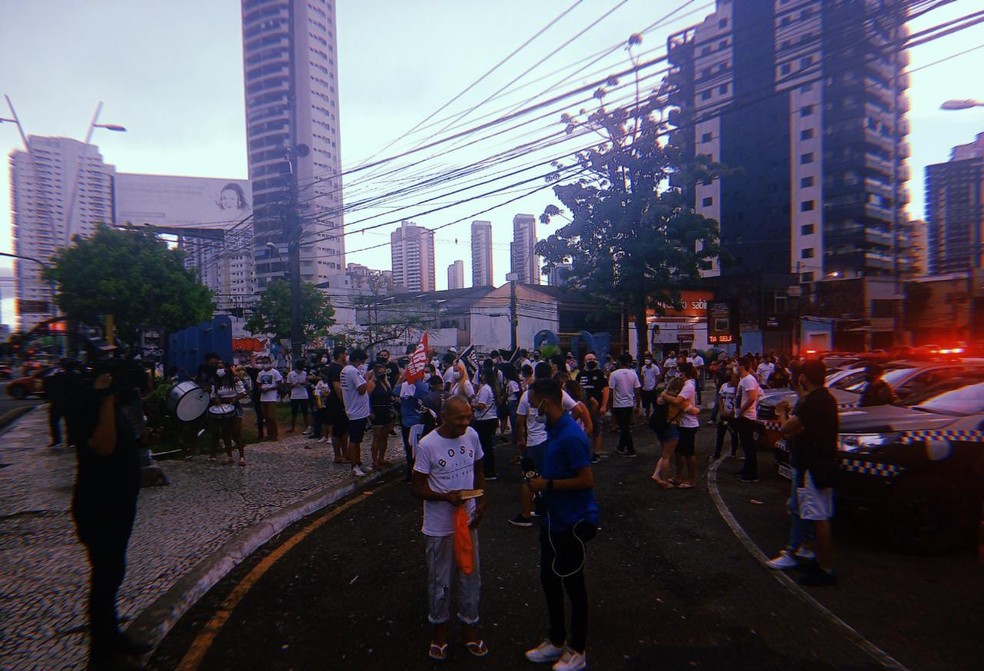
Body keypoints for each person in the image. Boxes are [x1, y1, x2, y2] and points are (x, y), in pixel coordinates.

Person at [67, 362, 153, 668]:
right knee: (105, 577)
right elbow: (104, 446)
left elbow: (131, 439)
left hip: (118, 502)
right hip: (99, 505)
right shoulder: (88, 408)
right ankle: (101, 654)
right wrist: (104, 397)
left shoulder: (111, 407)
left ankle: (112, 636)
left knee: (112, 574)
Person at [524, 378, 599, 671]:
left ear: (546, 401)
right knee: (549, 580)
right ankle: (556, 641)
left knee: (573, 585)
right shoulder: (554, 430)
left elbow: (586, 480)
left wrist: (548, 484)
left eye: (534, 403)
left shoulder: (570, 435)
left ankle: (577, 650)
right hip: (552, 520)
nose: (532, 408)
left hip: (572, 521)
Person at [411, 396, 488, 661]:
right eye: (460, 419)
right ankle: (439, 632)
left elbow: (479, 469)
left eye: (468, 417)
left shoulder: (472, 436)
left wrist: (480, 500)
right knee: (439, 581)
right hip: (439, 527)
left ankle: (469, 629)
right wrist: (446, 497)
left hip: (467, 523)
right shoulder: (427, 445)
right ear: (444, 416)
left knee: (471, 576)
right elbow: (417, 487)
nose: (465, 423)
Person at [770, 360, 839, 586]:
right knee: (809, 512)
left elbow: (787, 430)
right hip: (821, 464)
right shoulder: (825, 399)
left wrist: (781, 413)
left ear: (803, 378)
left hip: (814, 466)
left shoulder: (813, 402)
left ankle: (825, 568)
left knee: (818, 518)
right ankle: (808, 553)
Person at [664, 363, 702, 488]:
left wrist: (664, 395)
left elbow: (677, 401)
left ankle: (691, 479)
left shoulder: (688, 385)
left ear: (684, 373)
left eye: (679, 372)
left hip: (688, 424)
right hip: (681, 422)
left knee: (688, 453)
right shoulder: (684, 384)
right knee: (678, 452)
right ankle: (678, 476)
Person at [341, 349, 374, 477]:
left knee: (357, 439)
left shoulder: (345, 370)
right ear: (358, 360)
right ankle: (354, 465)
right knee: (355, 439)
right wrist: (367, 378)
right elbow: (361, 389)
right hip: (356, 410)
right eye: (362, 361)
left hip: (354, 408)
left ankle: (358, 462)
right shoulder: (353, 371)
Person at [212, 360, 248, 465]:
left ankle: (242, 457)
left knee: (236, 431)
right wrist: (216, 400)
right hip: (222, 408)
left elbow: (243, 393)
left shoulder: (234, 381)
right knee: (225, 432)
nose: (219, 370)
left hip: (234, 407)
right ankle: (229, 456)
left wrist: (234, 399)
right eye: (218, 368)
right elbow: (214, 396)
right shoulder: (216, 383)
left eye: (221, 367)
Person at [398, 370, 430, 482]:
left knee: (409, 448)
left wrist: (402, 378)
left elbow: (393, 392)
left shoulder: (403, 386)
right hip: (421, 422)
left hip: (408, 423)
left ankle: (411, 474)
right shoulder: (425, 387)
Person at [607, 353, 641, 457]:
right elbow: (637, 390)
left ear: (620, 362)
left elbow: (611, 391)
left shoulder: (614, 374)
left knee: (624, 427)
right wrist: (637, 405)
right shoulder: (633, 374)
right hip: (629, 403)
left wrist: (609, 405)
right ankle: (621, 447)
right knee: (625, 426)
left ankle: (630, 449)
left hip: (619, 404)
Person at [735, 355, 763, 483]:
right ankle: (746, 469)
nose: (734, 368)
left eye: (736, 365)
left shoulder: (749, 380)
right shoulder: (743, 379)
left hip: (747, 417)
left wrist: (741, 411)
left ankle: (751, 473)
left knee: (749, 445)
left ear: (741, 366)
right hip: (742, 416)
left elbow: (752, 397)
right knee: (745, 445)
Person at [577, 353, 607, 463]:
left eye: (594, 359)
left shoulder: (599, 374)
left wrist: (603, 405)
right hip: (582, 407)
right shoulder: (580, 374)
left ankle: (596, 452)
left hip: (596, 407)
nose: (592, 361)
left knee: (596, 429)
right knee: (583, 429)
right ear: (585, 361)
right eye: (589, 359)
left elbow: (606, 390)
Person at [471, 367, 500, 480]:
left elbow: (481, 406)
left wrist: (471, 404)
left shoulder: (485, 389)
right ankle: (489, 469)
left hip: (484, 420)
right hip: (491, 419)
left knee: (485, 446)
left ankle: (488, 470)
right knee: (488, 446)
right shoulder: (493, 388)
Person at [325, 346, 349, 464]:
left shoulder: (340, 367)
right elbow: (337, 387)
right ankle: (337, 455)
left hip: (340, 402)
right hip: (336, 402)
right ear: (341, 354)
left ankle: (345, 453)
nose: (346, 356)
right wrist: (344, 402)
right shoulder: (335, 368)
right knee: (338, 430)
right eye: (345, 354)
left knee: (344, 430)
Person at [369, 363, 395, 470]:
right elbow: (367, 398)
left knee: (385, 437)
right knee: (377, 437)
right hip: (377, 410)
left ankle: (381, 458)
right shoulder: (372, 383)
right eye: (380, 372)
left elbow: (390, 396)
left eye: (383, 372)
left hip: (386, 410)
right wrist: (370, 412)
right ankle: (375, 460)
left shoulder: (386, 383)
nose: (382, 374)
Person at [712, 368, 740, 460]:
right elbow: (720, 398)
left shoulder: (738, 388)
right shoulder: (724, 386)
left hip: (733, 415)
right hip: (724, 413)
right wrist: (721, 410)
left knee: (733, 433)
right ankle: (717, 453)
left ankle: (733, 453)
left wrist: (733, 411)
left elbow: (738, 401)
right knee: (720, 434)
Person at [256, 355, 283, 442]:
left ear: (270, 363)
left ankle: (275, 434)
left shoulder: (275, 372)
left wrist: (270, 389)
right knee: (266, 417)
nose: (265, 364)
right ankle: (269, 434)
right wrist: (260, 388)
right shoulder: (260, 373)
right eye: (263, 362)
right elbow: (258, 383)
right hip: (263, 397)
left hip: (271, 397)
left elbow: (279, 384)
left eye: (266, 362)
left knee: (271, 417)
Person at [243, 355, 265, 440]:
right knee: (260, 414)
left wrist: (253, 361)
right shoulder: (256, 372)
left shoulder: (254, 371)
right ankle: (262, 434)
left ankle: (262, 434)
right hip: (258, 394)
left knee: (261, 414)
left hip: (262, 395)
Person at [286, 360, 310, 434]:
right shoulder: (291, 374)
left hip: (303, 395)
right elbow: (288, 385)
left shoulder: (305, 373)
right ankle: (292, 427)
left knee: (305, 413)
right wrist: (294, 384)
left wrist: (305, 383)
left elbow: (307, 383)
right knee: (294, 413)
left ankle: (307, 427)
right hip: (295, 395)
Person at [638, 353, 661, 418]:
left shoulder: (655, 368)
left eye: (648, 358)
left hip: (652, 389)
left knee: (654, 404)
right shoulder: (643, 368)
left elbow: (658, 378)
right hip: (645, 389)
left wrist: (654, 387)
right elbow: (642, 377)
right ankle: (647, 418)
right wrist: (642, 386)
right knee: (647, 405)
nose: (646, 360)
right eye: (645, 358)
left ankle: (656, 417)